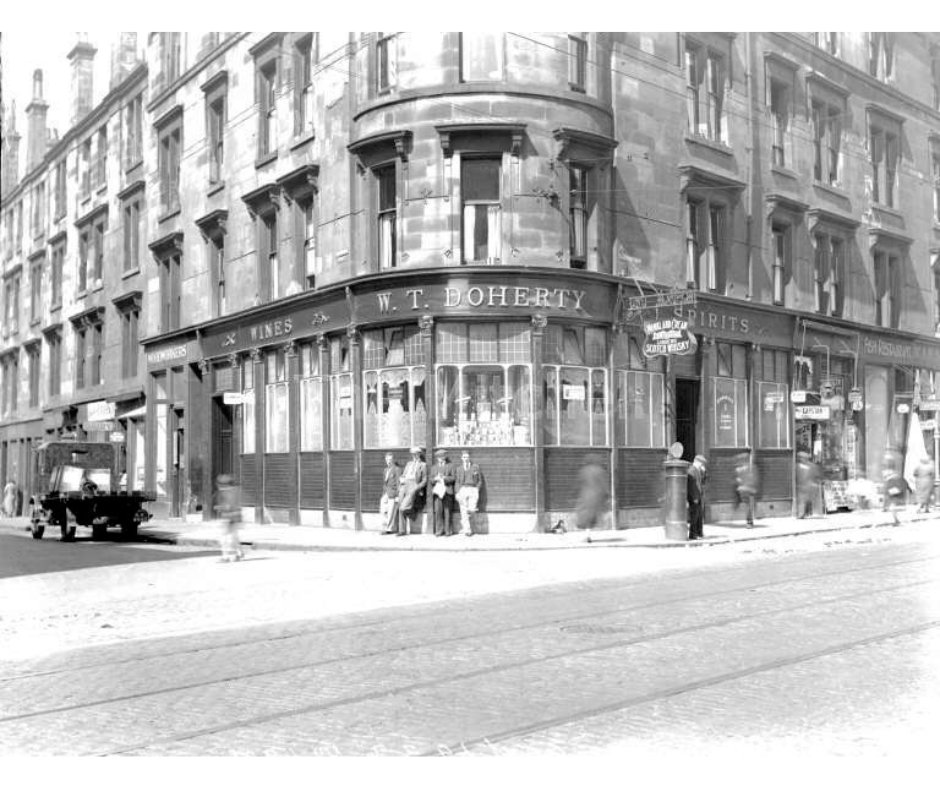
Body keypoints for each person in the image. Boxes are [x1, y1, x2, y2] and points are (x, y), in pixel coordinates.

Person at [396, 447, 427, 536]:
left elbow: (424, 480)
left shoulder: (423, 465)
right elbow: (403, 475)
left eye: (416, 454)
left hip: (414, 485)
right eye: (413, 454)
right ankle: (402, 530)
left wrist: (417, 487)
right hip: (404, 485)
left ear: (419, 454)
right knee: (400, 507)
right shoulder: (408, 464)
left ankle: (412, 513)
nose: (414, 456)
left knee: (403, 507)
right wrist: (401, 479)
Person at [214, 474, 244, 562]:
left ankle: (226, 557)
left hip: (227, 518)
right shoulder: (234, 491)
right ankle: (238, 553)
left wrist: (218, 507)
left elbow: (228, 506)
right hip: (234, 517)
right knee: (233, 536)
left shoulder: (226, 492)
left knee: (225, 538)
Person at [429, 448, 456, 536]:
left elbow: (453, 478)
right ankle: (439, 530)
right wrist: (435, 479)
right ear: (437, 458)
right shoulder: (434, 467)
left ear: (445, 457)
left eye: (443, 456)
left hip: (447, 491)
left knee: (447, 511)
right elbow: (431, 480)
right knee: (438, 511)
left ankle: (448, 531)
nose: (441, 458)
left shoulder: (451, 466)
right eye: (439, 457)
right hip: (437, 492)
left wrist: (444, 478)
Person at [455, 450, 482, 537]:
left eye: (467, 457)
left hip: (473, 489)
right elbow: (457, 482)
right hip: (463, 489)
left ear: (469, 457)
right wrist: (457, 492)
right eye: (464, 457)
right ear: (461, 458)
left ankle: (467, 527)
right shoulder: (459, 469)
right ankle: (467, 530)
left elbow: (479, 480)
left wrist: (477, 489)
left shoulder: (475, 467)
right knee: (463, 510)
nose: (465, 459)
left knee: (471, 509)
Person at [575, 463, 609, 531]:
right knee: (592, 514)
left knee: (586, 513)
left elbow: (579, 483)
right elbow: (603, 484)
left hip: (586, 495)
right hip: (596, 495)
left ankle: (587, 529)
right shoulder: (599, 471)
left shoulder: (584, 471)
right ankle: (589, 529)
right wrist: (606, 493)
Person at [733, 451, 759, 527]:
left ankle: (749, 520)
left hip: (742, 489)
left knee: (748, 505)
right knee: (749, 506)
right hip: (749, 489)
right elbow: (755, 478)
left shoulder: (738, 469)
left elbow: (738, 480)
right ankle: (749, 522)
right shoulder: (752, 468)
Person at [882, 450, 907, 524]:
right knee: (893, 503)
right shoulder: (890, 472)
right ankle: (896, 519)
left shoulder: (889, 472)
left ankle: (896, 519)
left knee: (893, 504)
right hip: (892, 488)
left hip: (892, 489)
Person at [686, 454, 708, 540]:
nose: (702, 466)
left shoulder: (697, 470)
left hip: (698, 496)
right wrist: (694, 497)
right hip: (694, 497)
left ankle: (699, 533)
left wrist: (704, 472)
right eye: (702, 464)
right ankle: (693, 535)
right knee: (694, 517)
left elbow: (702, 481)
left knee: (699, 516)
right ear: (697, 462)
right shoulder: (691, 470)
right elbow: (691, 486)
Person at [380, 453, 402, 534]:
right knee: (383, 510)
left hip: (393, 493)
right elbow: (384, 483)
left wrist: (397, 495)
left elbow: (399, 483)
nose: (388, 461)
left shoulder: (397, 469)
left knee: (391, 511)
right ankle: (384, 527)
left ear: (393, 460)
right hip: (386, 493)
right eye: (387, 460)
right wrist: (383, 493)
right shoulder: (385, 470)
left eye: (390, 459)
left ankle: (389, 529)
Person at [796, 451, 821, 519]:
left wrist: (815, 482)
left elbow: (816, 475)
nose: (801, 459)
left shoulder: (812, 466)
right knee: (802, 500)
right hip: (801, 486)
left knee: (805, 500)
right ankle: (802, 514)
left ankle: (807, 513)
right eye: (800, 458)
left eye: (802, 458)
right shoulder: (797, 466)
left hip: (809, 486)